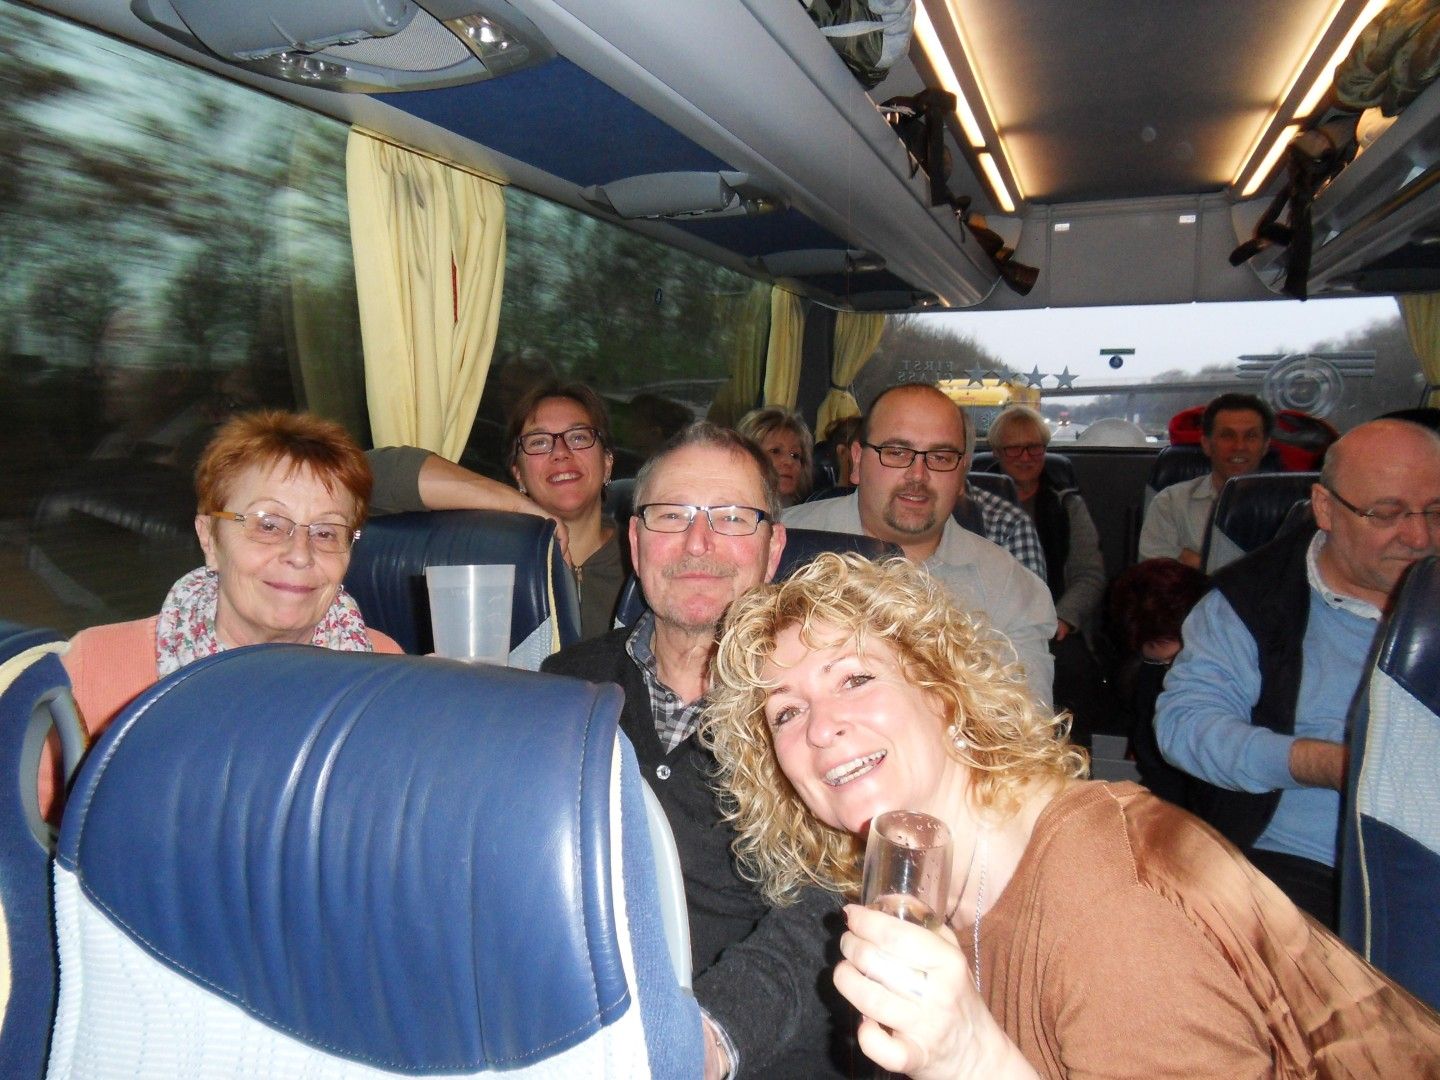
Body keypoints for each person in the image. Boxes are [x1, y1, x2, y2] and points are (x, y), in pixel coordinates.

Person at [703, 552, 1440, 1080]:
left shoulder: (1111, 899)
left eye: (855, 678)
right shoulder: (930, 871)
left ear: (944, 695)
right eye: (786, 712)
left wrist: (971, 1058)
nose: (820, 727)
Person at [540, 422, 849, 1079]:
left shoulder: (821, 707)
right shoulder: (565, 685)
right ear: (635, 541)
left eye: (732, 518)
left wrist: (703, 1042)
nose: (698, 543)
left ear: (773, 548)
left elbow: (829, 907)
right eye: (671, 515)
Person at [1156, 418, 1440, 927]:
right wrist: (1320, 763)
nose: (1419, 536)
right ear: (1325, 508)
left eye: (1436, 512)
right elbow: (1186, 726)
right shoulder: (1251, 600)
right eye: (1386, 513)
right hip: (1314, 862)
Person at [54, 411, 403, 814]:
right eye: (268, 525)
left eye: (326, 532)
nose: (300, 555)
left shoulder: (386, 666)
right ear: (210, 539)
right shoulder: (95, 668)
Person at [782, 383, 1056, 706]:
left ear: (962, 473)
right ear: (857, 462)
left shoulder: (1009, 589)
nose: (918, 475)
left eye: (941, 457)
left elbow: (1023, 728)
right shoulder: (774, 544)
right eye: (897, 452)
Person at [987, 404, 1110, 740]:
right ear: (996, 452)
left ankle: (1073, 763)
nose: (1026, 457)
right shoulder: (972, 503)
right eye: (1014, 448)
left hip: (1055, 623)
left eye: (1034, 447)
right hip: (985, 619)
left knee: (1072, 671)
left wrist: (1062, 618)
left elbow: (1090, 575)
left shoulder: (1066, 504)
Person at [502, 382, 624, 638]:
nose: (560, 453)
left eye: (578, 437)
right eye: (539, 442)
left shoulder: (643, 559)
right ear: (518, 475)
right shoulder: (499, 561)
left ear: (607, 463)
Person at [1107, 557, 1209, 805]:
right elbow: (1154, 771)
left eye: (1178, 659)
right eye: (1159, 662)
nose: (1171, 672)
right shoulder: (1146, 678)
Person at [1139, 392, 1274, 566]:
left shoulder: (1287, 507)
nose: (1239, 446)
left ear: (1265, 446)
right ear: (1207, 445)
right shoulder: (1170, 503)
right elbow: (1156, 576)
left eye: (1250, 436)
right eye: (1227, 435)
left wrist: (1196, 562)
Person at [737, 405, 814, 506]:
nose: (789, 462)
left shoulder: (811, 512)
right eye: (775, 451)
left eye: (795, 455)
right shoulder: (729, 509)